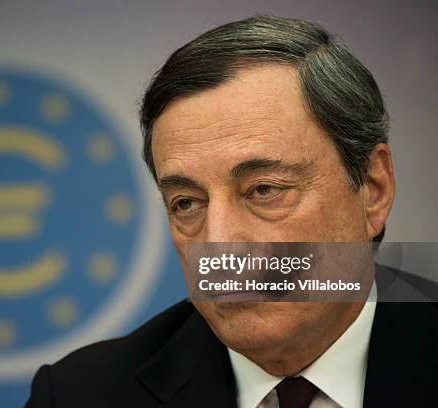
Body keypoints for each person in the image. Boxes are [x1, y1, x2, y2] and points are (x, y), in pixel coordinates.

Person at [26, 15, 438, 407]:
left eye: (264, 190)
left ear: (373, 189)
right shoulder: (78, 395)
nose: (219, 243)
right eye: (186, 203)